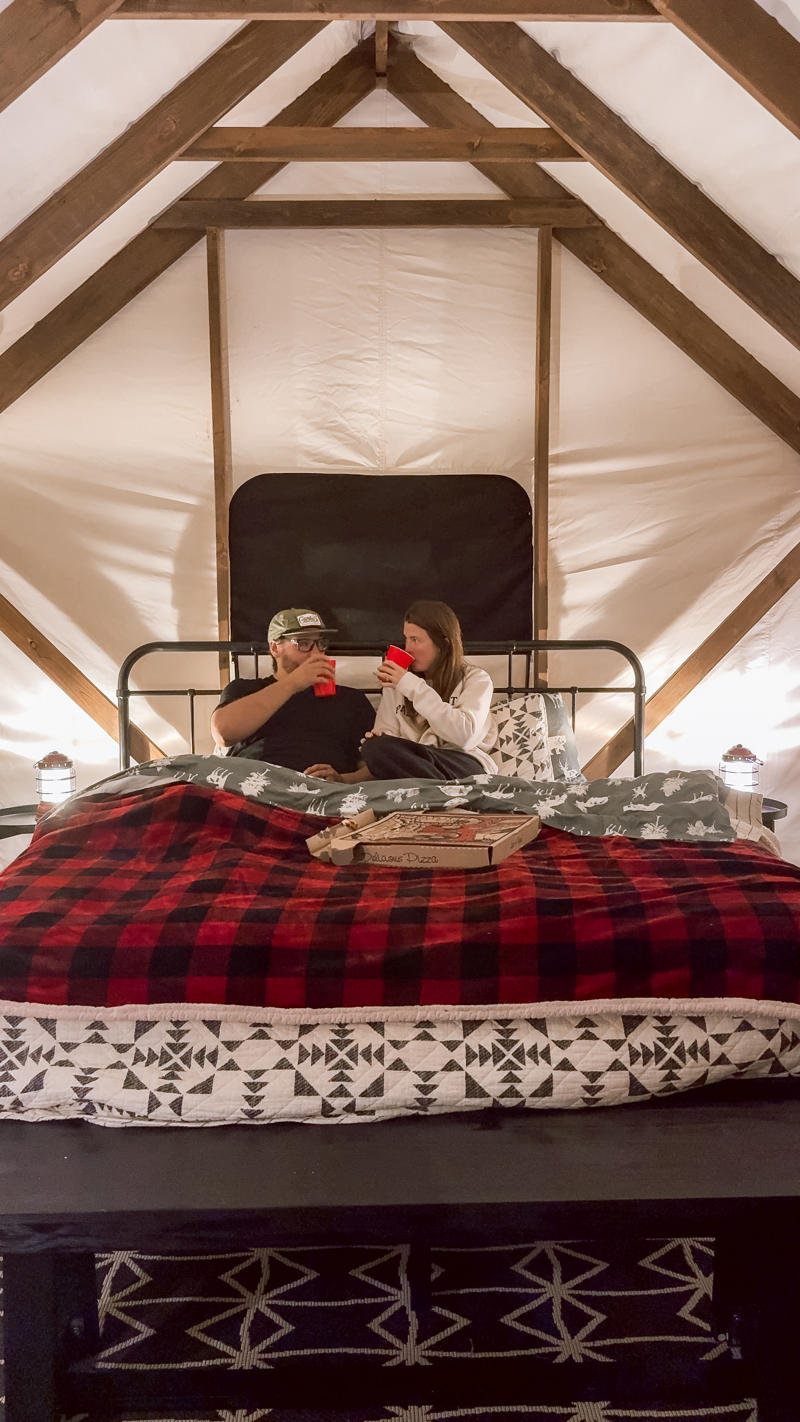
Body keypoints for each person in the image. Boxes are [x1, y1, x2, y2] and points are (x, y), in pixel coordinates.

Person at [211, 608, 374, 779]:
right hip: (256, 785)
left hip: (324, 792)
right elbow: (223, 733)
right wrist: (294, 683)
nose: (316, 653)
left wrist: (344, 780)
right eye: (303, 643)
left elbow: (376, 768)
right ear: (275, 648)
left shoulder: (351, 700)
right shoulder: (245, 689)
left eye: (320, 643)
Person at [358, 599, 497, 781]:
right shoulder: (398, 684)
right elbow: (388, 731)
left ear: (443, 643)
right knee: (374, 748)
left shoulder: (476, 679)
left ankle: (425, 789)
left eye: (415, 640)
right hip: (416, 761)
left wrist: (412, 687)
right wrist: (381, 737)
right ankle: (436, 791)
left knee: (466, 771)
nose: (408, 648)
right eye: (406, 639)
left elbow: (464, 737)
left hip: (460, 762)